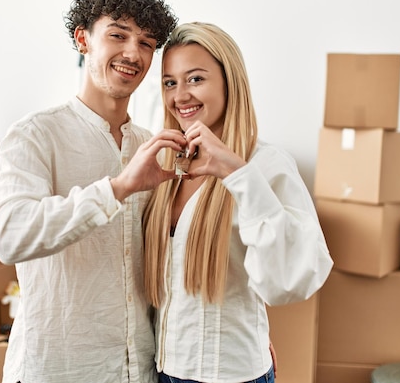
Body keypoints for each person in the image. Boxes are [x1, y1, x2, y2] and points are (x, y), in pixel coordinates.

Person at [0, 0, 182, 383]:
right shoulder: (35, 135)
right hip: (58, 368)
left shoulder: (152, 146)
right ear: (83, 39)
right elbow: (9, 236)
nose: (133, 53)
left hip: (138, 370)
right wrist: (118, 188)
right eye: (118, 35)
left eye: (147, 42)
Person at [142, 22, 334, 383]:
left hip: (228, 375)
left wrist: (236, 172)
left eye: (195, 79)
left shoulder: (267, 164)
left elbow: (291, 277)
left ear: (230, 81)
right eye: (170, 82)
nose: (180, 95)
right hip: (163, 369)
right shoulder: (167, 166)